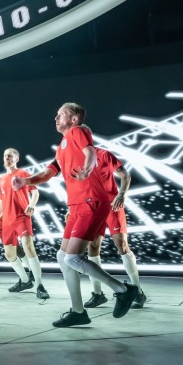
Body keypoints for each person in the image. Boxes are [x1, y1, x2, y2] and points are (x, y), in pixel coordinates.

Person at [12, 102, 139, 327]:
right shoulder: (62, 145)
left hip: (92, 201)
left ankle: (123, 289)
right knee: (63, 257)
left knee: (72, 257)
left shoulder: (77, 131)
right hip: (77, 205)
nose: (55, 117)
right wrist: (26, 181)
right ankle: (78, 312)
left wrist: (89, 168)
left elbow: (90, 152)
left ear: (72, 119)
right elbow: (48, 173)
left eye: (60, 114)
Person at [82, 147, 146, 309]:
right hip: (92, 206)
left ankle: (137, 291)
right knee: (92, 247)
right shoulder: (76, 158)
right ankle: (97, 294)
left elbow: (125, 175)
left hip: (112, 204)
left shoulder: (103, 155)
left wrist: (121, 193)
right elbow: (79, 185)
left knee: (122, 245)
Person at [0, 149, 49, 300]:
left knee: (28, 246)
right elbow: (2, 201)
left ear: (17, 158)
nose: (6, 157)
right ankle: (25, 281)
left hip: (21, 216)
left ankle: (40, 286)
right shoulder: (1, 179)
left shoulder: (23, 173)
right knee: (9, 254)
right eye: (4, 155)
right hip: (7, 221)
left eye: (10, 155)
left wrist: (32, 204)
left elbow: (35, 192)